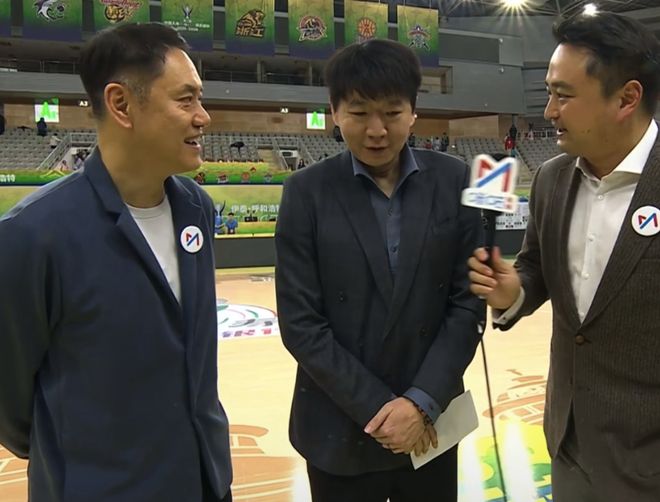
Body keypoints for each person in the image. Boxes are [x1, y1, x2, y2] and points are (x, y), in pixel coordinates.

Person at [0, 23, 232, 502]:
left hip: (204, 482)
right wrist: (79, 455)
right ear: (121, 104)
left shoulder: (197, 208)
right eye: (186, 100)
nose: (203, 117)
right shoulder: (32, 233)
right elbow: (9, 396)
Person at [275, 39, 484, 502]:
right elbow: (301, 324)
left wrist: (421, 402)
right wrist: (384, 409)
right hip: (338, 427)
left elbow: (468, 305)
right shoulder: (305, 193)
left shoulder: (456, 180)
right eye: (359, 113)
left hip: (431, 425)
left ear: (413, 111)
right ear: (334, 112)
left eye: (392, 113)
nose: (377, 130)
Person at [467, 12, 660, 501]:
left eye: (564, 95)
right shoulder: (551, 179)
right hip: (569, 441)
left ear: (627, 98)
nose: (549, 111)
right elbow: (535, 267)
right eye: (549, 93)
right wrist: (513, 290)